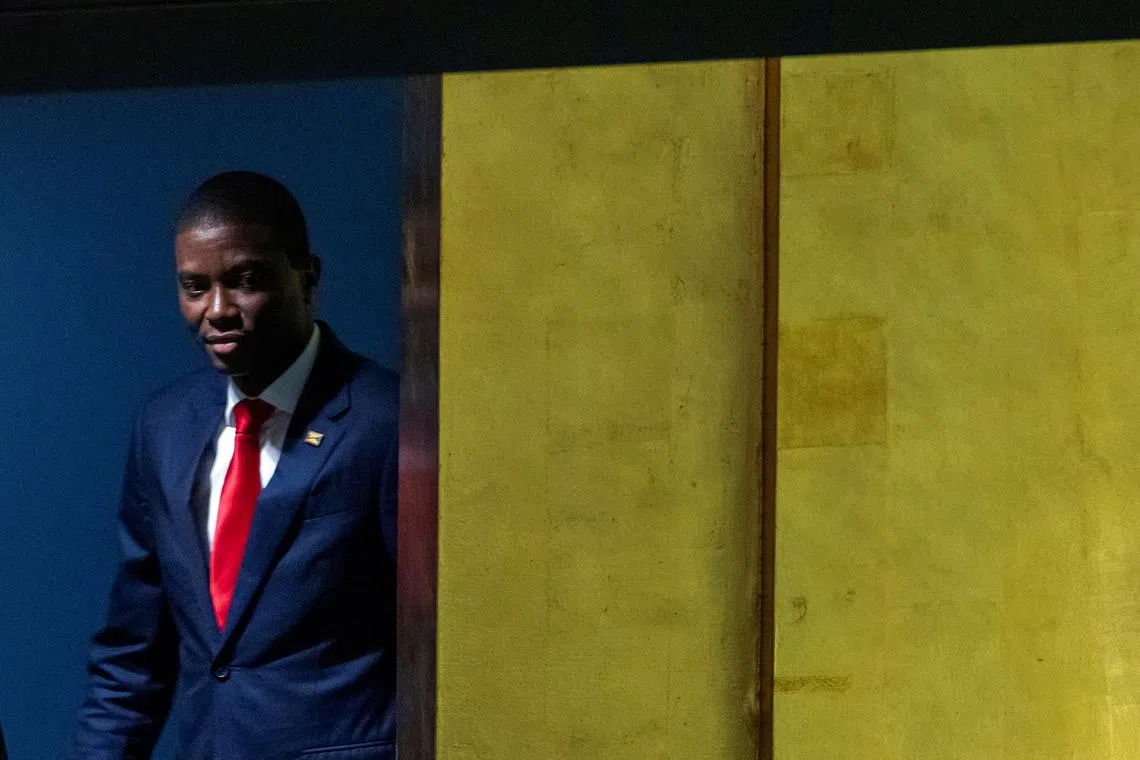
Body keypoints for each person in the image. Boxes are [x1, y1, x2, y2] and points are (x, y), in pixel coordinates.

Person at [71, 171, 399, 760]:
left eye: (244, 281)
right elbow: (132, 652)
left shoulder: (390, 421)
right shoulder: (164, 427)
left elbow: (443, 643)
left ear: (308, 278)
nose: (216, 310)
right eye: (194, 288)